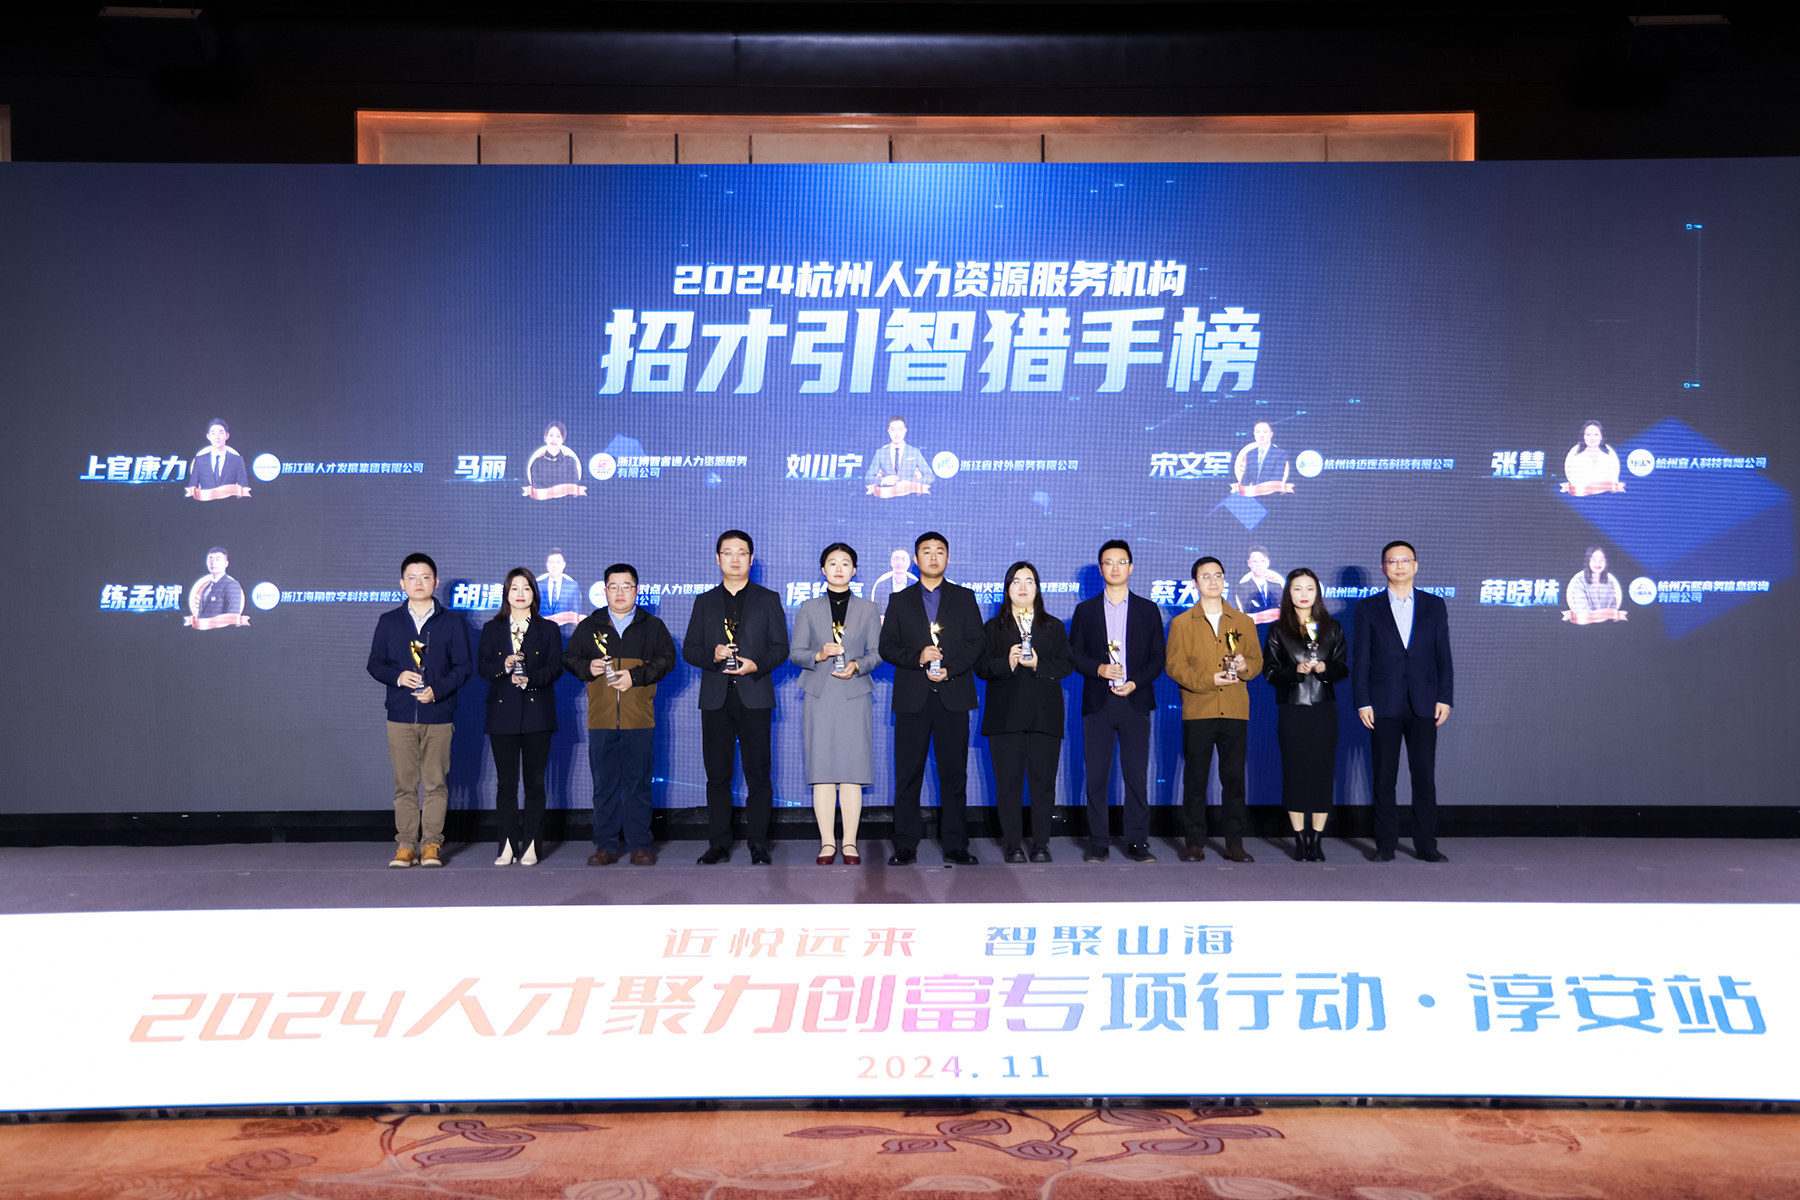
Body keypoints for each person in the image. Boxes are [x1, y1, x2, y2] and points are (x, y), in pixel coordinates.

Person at [879, 530, 985, 865]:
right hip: (913, 698)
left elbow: (977, 643)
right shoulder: (899, 600)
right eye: (927, 551)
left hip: (953, 696)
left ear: (948, 558)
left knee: (954, 775)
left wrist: (949, 669)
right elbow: (886, 646)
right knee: (908, 775)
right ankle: (905, 845)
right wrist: (918, 657)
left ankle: (956, 845)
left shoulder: (964, 597)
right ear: (915, 559)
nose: (934, 556)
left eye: (940, 551)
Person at [682, 530, 788, 865]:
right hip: (716, 698)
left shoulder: (768, 599)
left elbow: (781, 648)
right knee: (717, 775)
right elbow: (689, 649)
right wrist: (712, 656)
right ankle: (718, 843)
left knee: (758, 774)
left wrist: (756, 664)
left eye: (742, 552)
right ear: (718, 559)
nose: (735, 559)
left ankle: (759, 843)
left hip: (754, 695)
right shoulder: (704, 601)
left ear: (751, 559)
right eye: (728, 552)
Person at [366, 553, 473, 869]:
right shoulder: (389, 621)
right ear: (402, 583)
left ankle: (431, 845)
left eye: (425, 577)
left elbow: (464, 666)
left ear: (435, 582)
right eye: (412, 577)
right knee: (405, 785)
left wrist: (438, 690)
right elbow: (375, 664)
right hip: (400, 715)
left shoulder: (452, 622)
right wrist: (398, 677)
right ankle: (405, 846)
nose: (419, 583)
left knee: (436, 783)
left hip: (438, 715)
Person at [566, 563, 676, 867]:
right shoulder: (590, 626)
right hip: (601, 719)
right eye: (613, 586)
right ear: (604, 591)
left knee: (639, 785)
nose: (619, 592)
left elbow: (667, 660)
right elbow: (570, 658)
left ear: (636, 590)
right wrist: (586, 667)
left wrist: (636, 676)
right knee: (604, 786)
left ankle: (640, 845)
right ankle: (605, 845)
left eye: (626, 586)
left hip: (639, 719)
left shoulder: (652, 626)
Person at [1352, 539, 1454, 863]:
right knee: (1384, 778)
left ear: (1416, 566)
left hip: (1425, 703)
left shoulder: (1434, 605)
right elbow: (1361, 659)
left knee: (1424, 778)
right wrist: (1362, 701)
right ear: (1383, 567)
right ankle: (1385, 845)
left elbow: (1443, 655)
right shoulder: (1368, 608)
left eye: (1405, 560)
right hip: (1383, 703)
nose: (1399, 565)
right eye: (1392, 560)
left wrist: (1445, 697)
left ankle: (1426, 844)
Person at [1068, 540, 1166, 863]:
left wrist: (1135, 682)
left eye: (1121, 562)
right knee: (1096, 775)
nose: (1115, 567)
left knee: (1135, 775)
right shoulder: (1085, 611)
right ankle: (1098, 841)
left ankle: (1137, 841)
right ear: (1100, 569)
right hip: (1098, 702)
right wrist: (1099, 669)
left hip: (1135, 701)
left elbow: (1158, 658)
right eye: (1108, 562)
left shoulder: (1148, 610)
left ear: (1131, 567)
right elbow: (1074, 655)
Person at [1165, 555, 1262, 862]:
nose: (1213, 581)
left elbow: (1257, 661)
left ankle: (1235, 842)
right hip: (1199, 709)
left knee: (1234, 780)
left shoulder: (1243, 622)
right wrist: (1209, 679)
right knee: (1195, 781)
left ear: (1224, 580)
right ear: (1195, 583)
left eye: (1218, 575)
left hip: (1234, 710)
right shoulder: (1182, 623)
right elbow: (1174, 666)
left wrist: (1244, 667)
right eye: (1205, 576)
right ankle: (1195, 842)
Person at [790, 543, 882, 866]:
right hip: (819, 694)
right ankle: (827, 842)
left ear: (854, 571)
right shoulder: (808, 608)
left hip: (854, 693)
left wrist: (857, 665)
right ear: (822, 569)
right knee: (823, 771)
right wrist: (819, 654)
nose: (839, 568)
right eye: (832, 563)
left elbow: (877, 653)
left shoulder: (869, 609)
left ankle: (851, 843)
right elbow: (795, 653)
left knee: (852, 771)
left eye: (845, 563)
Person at [978, 561, 1073, 863]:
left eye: (1029, 581)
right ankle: (1012, 844)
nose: (1022, 587)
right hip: (1005, 717)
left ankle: (1041, 844)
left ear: (1037, 588)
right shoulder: (993, 628)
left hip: (1045, 715)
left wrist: (1038, 664)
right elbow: (981, 667)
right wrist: (1006, 663)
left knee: (1043, 785)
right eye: (1016, 581)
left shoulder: (1053, 626)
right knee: (1008, 784)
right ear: (1007, 588)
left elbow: (1067, 664)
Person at [477, 568, 564, 866]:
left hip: (538, 713)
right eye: (514, 588)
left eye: (526, 588)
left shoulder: (548, 629)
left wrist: (530, 680)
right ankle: (506, 845)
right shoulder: (492, 629)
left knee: (535, 783)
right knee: (506, 784)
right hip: (502, 714)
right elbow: (483, 668)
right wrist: (504, 665)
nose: (520, 594)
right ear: (506, 594)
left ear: (534, 593)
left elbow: (555, 668)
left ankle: (532, 846)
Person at [1262, 568, 1349, 861]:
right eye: (1297, 588)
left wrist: (1326, 668)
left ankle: (1317, 839)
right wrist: (1295, 671)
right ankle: (1299, 838)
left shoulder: (1332, 628)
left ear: (1317, 592)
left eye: (1309, 588)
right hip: (1293, 709)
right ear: (1289, 593)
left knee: (1323, 772)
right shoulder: (1278, 630)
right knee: (1295, 771)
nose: (1303, 594)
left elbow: (1342, 667)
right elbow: (1270, 673)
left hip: (1324, 709)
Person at [865, 415, 935, 495]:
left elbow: (930, 476)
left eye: (900, 429)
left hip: (909, 496)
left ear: (905, 431)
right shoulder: (880, 453)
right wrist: (883, 480)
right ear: (888, 431)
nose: (896, 433)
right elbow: (868, 478)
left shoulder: (914, 452)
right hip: (887, 496)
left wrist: (911, 482)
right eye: (893, 430)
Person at [189, 418, 250, 495]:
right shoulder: (199, 461)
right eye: (213, 433)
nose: (217, 437)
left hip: (230, 502)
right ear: (208, 436)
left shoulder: (237, 460)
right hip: (205, 502)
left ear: (227, 435)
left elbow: (243, 488)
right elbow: (192, 488)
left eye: (220, 433)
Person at [188, 547, 244, 627]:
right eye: (210, 559)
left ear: (226, 564)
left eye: (217, 559)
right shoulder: (206, 588)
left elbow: (232, 618)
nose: (213, 563)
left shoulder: (231, 584)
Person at [526, 421, 583, 493]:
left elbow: (573, 487)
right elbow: (537, 489)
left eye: (558, 436)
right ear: (545, 438)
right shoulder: (537, 463)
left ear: (563, 439)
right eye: (551, 435)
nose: (554, 439)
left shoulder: (570, 462)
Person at [1233, 545, 1283, 626]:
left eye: (1262, 561)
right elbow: (1248, 612)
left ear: (1268, 563)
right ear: (1249, 563)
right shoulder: (1242, 588)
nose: (1259, 565)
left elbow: (1283, 612)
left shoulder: (1277, 587)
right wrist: (1274, 613)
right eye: (1255, 561)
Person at [1564, 420, 1621, 490]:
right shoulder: (1575, 460)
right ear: (1583, 437)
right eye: (1588, 434)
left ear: (1601, 437)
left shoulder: (1610, 460)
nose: (1592, 438)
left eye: (1596, 434)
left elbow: (1613, 483)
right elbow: (1574, 483)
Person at [1568, 547, 1625, 617]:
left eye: (1602, 560)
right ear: (1588, 561)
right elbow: (1582, 609)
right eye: (1594, 560)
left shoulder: (1610, 582)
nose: (1598, 563)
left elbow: (1612, 607)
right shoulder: (1579, 581)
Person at [537, 548, 583, 631]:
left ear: (564, 564)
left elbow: (576, 615)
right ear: (547, 565)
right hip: (541, 632)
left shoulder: (572, 586)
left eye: (558, 562)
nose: (554, 566)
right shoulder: (538, 585)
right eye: (551, 562)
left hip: (565, 634)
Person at [1234, 421, 1291, 490]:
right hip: (1253, 494)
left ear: (1271, 434)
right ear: (1254, 434)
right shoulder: (1251, 454)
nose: (1261, 435)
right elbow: (1246, 478)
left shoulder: (1280, 454)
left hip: (1271, 493)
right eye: (1258, 432)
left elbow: (1277, 479)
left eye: (1265, 432)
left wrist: (1259, 490)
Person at [868, 548, 917, 614]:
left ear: (909, 563)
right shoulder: (881, 586)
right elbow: (875, 611)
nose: (900, 563)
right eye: (896, 559)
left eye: (904, 559)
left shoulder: (916, 585)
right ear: (891, 562)